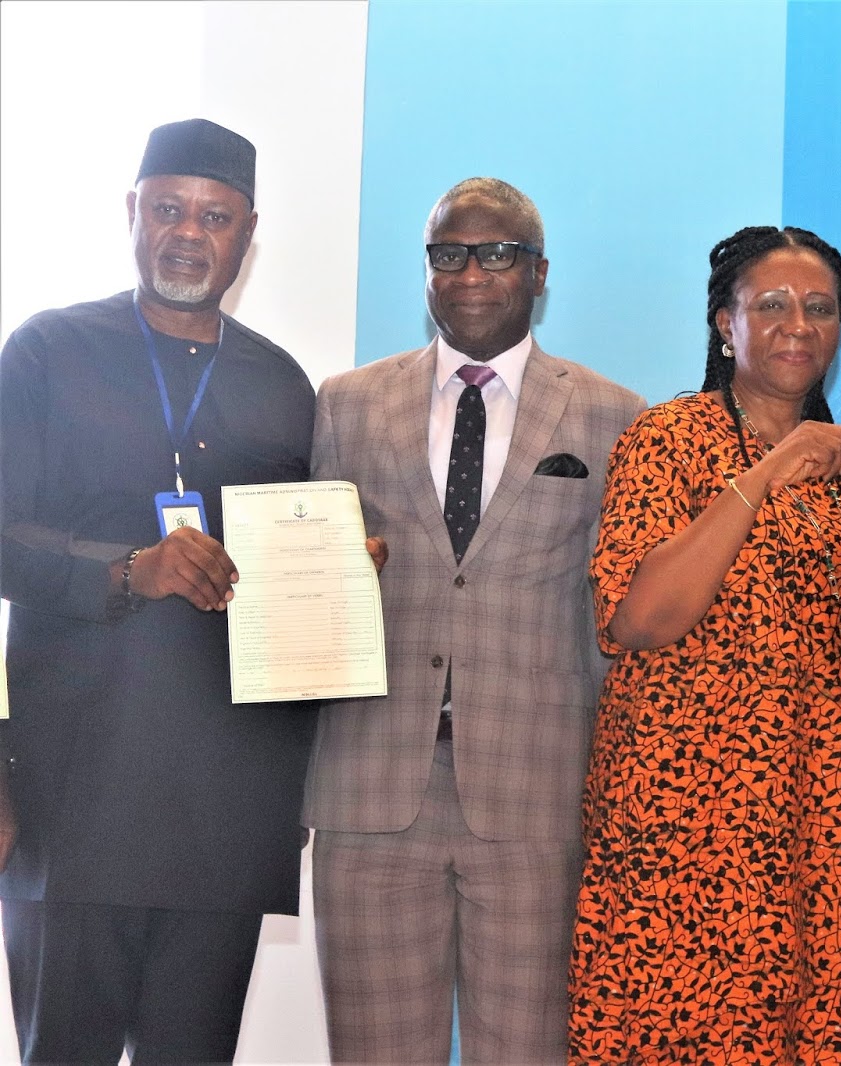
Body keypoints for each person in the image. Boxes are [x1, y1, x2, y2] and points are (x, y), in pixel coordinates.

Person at [302, 177, 644, 1063]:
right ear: (426, 269)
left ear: (540, 273)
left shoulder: (615, 415)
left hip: (538, 794)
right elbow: (309, 593)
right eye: (448, 254)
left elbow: (615, 615)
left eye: (497, 254)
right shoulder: (346, 402)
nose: (471, 274)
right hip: (371, 791)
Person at [569, 225, 841, 1063]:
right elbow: (638, 620)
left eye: (820, 308)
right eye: (771, 305)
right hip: (687, 814)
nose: (798, 324)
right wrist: (767, 472)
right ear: (725, 325)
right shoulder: (666, 438)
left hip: (823, 810)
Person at [0, 118, 318, 1062]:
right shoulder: (47, 350)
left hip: (228, 802)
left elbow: (292, 590)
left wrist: (337, 561)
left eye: (215, 217)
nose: (188, 233)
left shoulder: (283, 383)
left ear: (248, 235)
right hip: (71, 796)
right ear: (131, 213)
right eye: (169, 209)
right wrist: (124, 570)